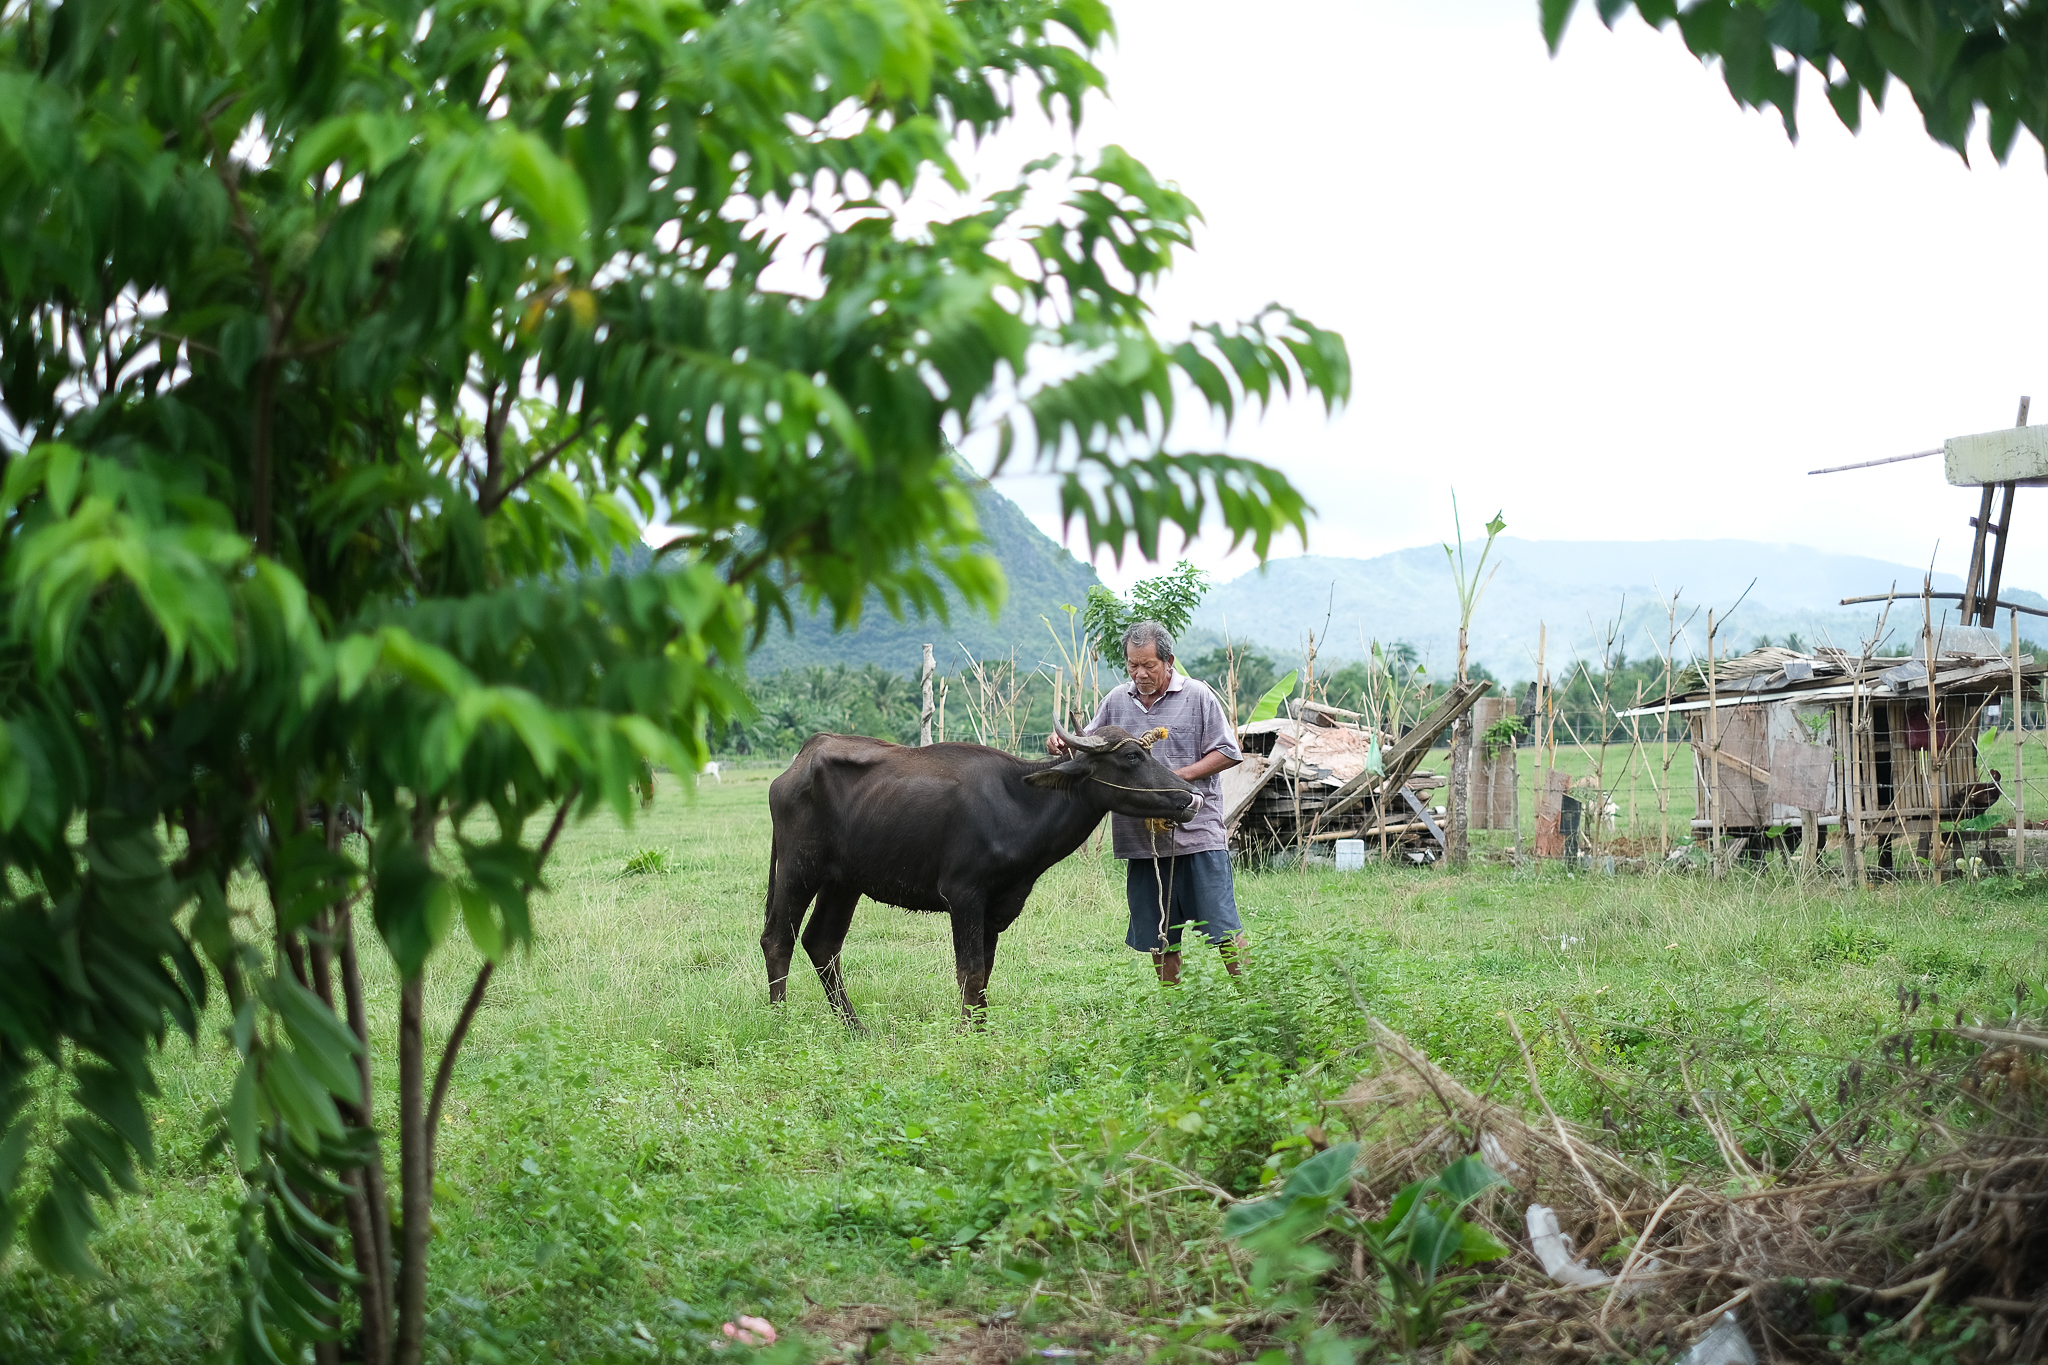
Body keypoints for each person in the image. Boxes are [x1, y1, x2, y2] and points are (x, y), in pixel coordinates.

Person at [1050, 621, 1246, 984]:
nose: (1140, 674)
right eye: (1132, 666)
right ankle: (1174, 1012)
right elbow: (1088, 745)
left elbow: (1228, 752)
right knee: (1161, 936)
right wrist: (1062, 745)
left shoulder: (1198, 696)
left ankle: (1254, 1002)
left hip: (1196, 836)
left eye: (1149, 666)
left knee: (1223, 929)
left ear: (1169, 661)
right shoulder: (1116, 702)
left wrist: (1179, 778)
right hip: (1144, 845)